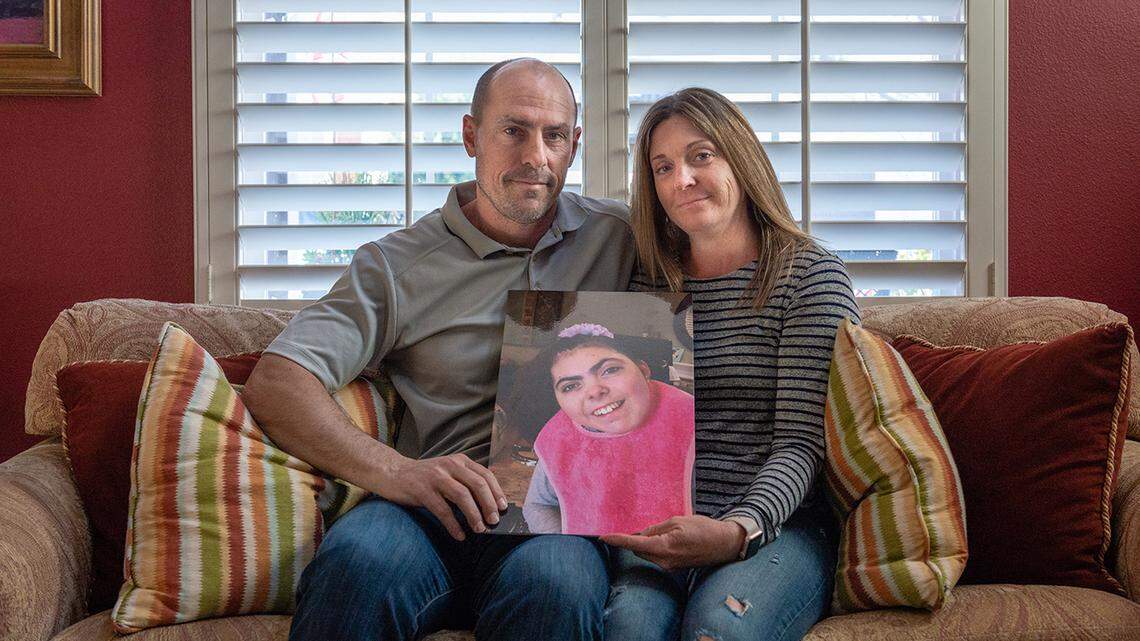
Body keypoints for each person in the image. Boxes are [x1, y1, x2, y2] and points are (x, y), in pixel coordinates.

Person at [241, 58, 635, 641]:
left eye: (554, 136)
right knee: (356, 565)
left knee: (559, 586)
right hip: (425, 512)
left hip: (554, 519)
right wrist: (398, 473)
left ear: (574, 145)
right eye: (513, 130)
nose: (536, 156)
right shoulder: (395, 265)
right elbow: (278, 382)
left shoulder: (622, 237)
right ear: (471, 136)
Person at [600, 87, 861, 641]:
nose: (682, 180)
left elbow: (801, 445)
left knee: (718, 628)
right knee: (626, 627)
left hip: (777, 526)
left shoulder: (809, 277)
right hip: (660, 522)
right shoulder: (647, 283)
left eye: (701, 156)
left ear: (740, 158)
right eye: (663, 167)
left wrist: (738, 529)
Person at [521, 322, 695, 535]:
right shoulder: (561, 440)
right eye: (570, 386)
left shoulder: (689, 421)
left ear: (643, 371)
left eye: (610, 370)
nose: (595, 391)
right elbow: (538, 505)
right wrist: (569, 544)